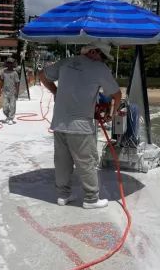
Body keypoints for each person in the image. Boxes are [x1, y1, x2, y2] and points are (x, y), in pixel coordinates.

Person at [39, 42, 122, 209]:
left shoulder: (65, 62)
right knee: (87, 162)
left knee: (62, 162)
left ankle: (63, 195)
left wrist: (56, 92)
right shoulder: (99, 69)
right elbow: (117, 94)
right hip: (81, 127)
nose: (103, 60)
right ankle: (91, 199)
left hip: (59, 123)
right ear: (94, 51)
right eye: (102, 56)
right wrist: (111, 115)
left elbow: (42, 75)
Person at [0, 57, 20, 125]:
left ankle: (11, 118)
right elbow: (1, 81)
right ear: (6, 64)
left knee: (12, 106)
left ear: (13, 64)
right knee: (5, 107)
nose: (9, 64)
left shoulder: (15, 73)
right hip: (5, 92)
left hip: (12, 92)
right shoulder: (4, 72)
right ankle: (8, 116)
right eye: (8, 63)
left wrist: (17, 92)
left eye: (11, 63)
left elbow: (17, 83)